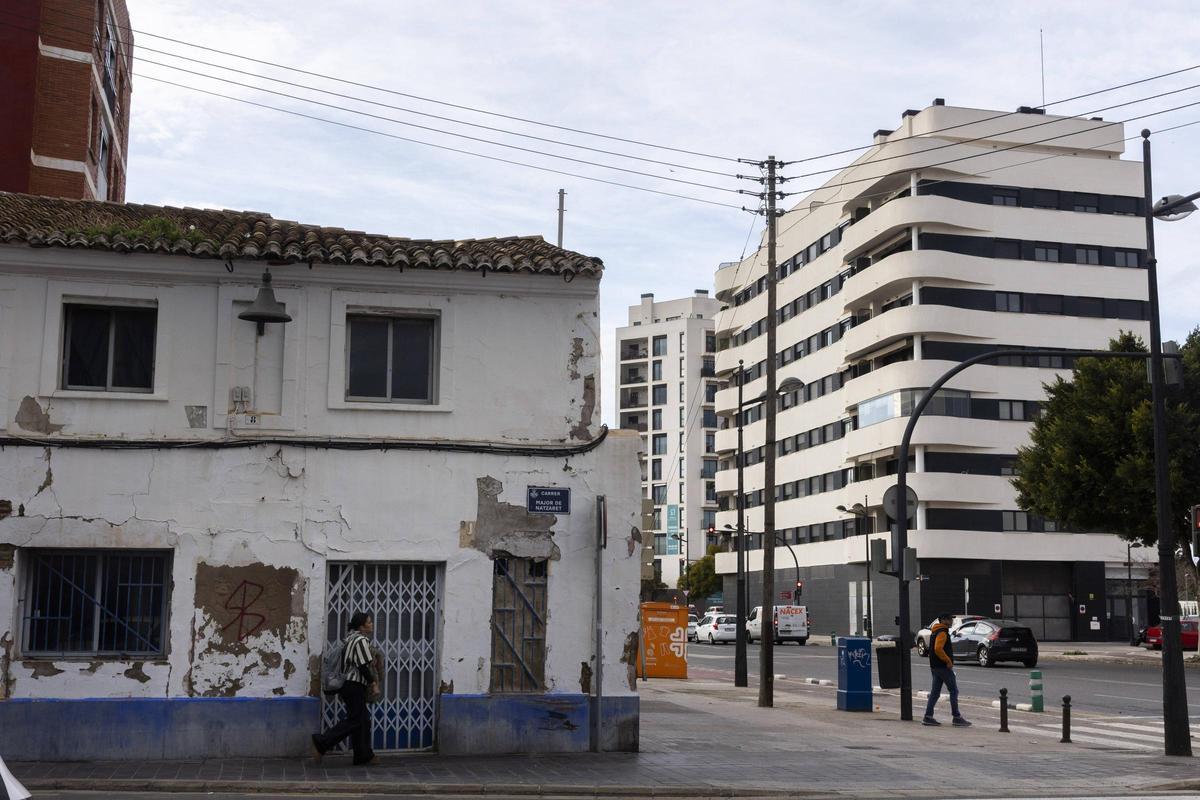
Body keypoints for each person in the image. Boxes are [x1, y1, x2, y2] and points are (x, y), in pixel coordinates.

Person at [311, 612, 379, 764]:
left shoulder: (350, 638)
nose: (372, 624)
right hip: (353, 685)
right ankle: (322, 741)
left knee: (363, 720)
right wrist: (373, 683)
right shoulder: (360, 640)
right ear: (361, 626)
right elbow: (362, 665)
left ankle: (363, 755)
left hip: (348, 686)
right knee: (355, 720)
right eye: (369, 622)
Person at [922, 612, 971, 727]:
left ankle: (928, 717)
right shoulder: (942, 632)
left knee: (935, 693)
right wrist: (948, 661)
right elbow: (938, 649)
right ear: (943, 620)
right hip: (943, 667)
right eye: (949, 619)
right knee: (954, 690)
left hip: (935, 666)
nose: (951, 621)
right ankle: (956, 717)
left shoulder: (935, 631)